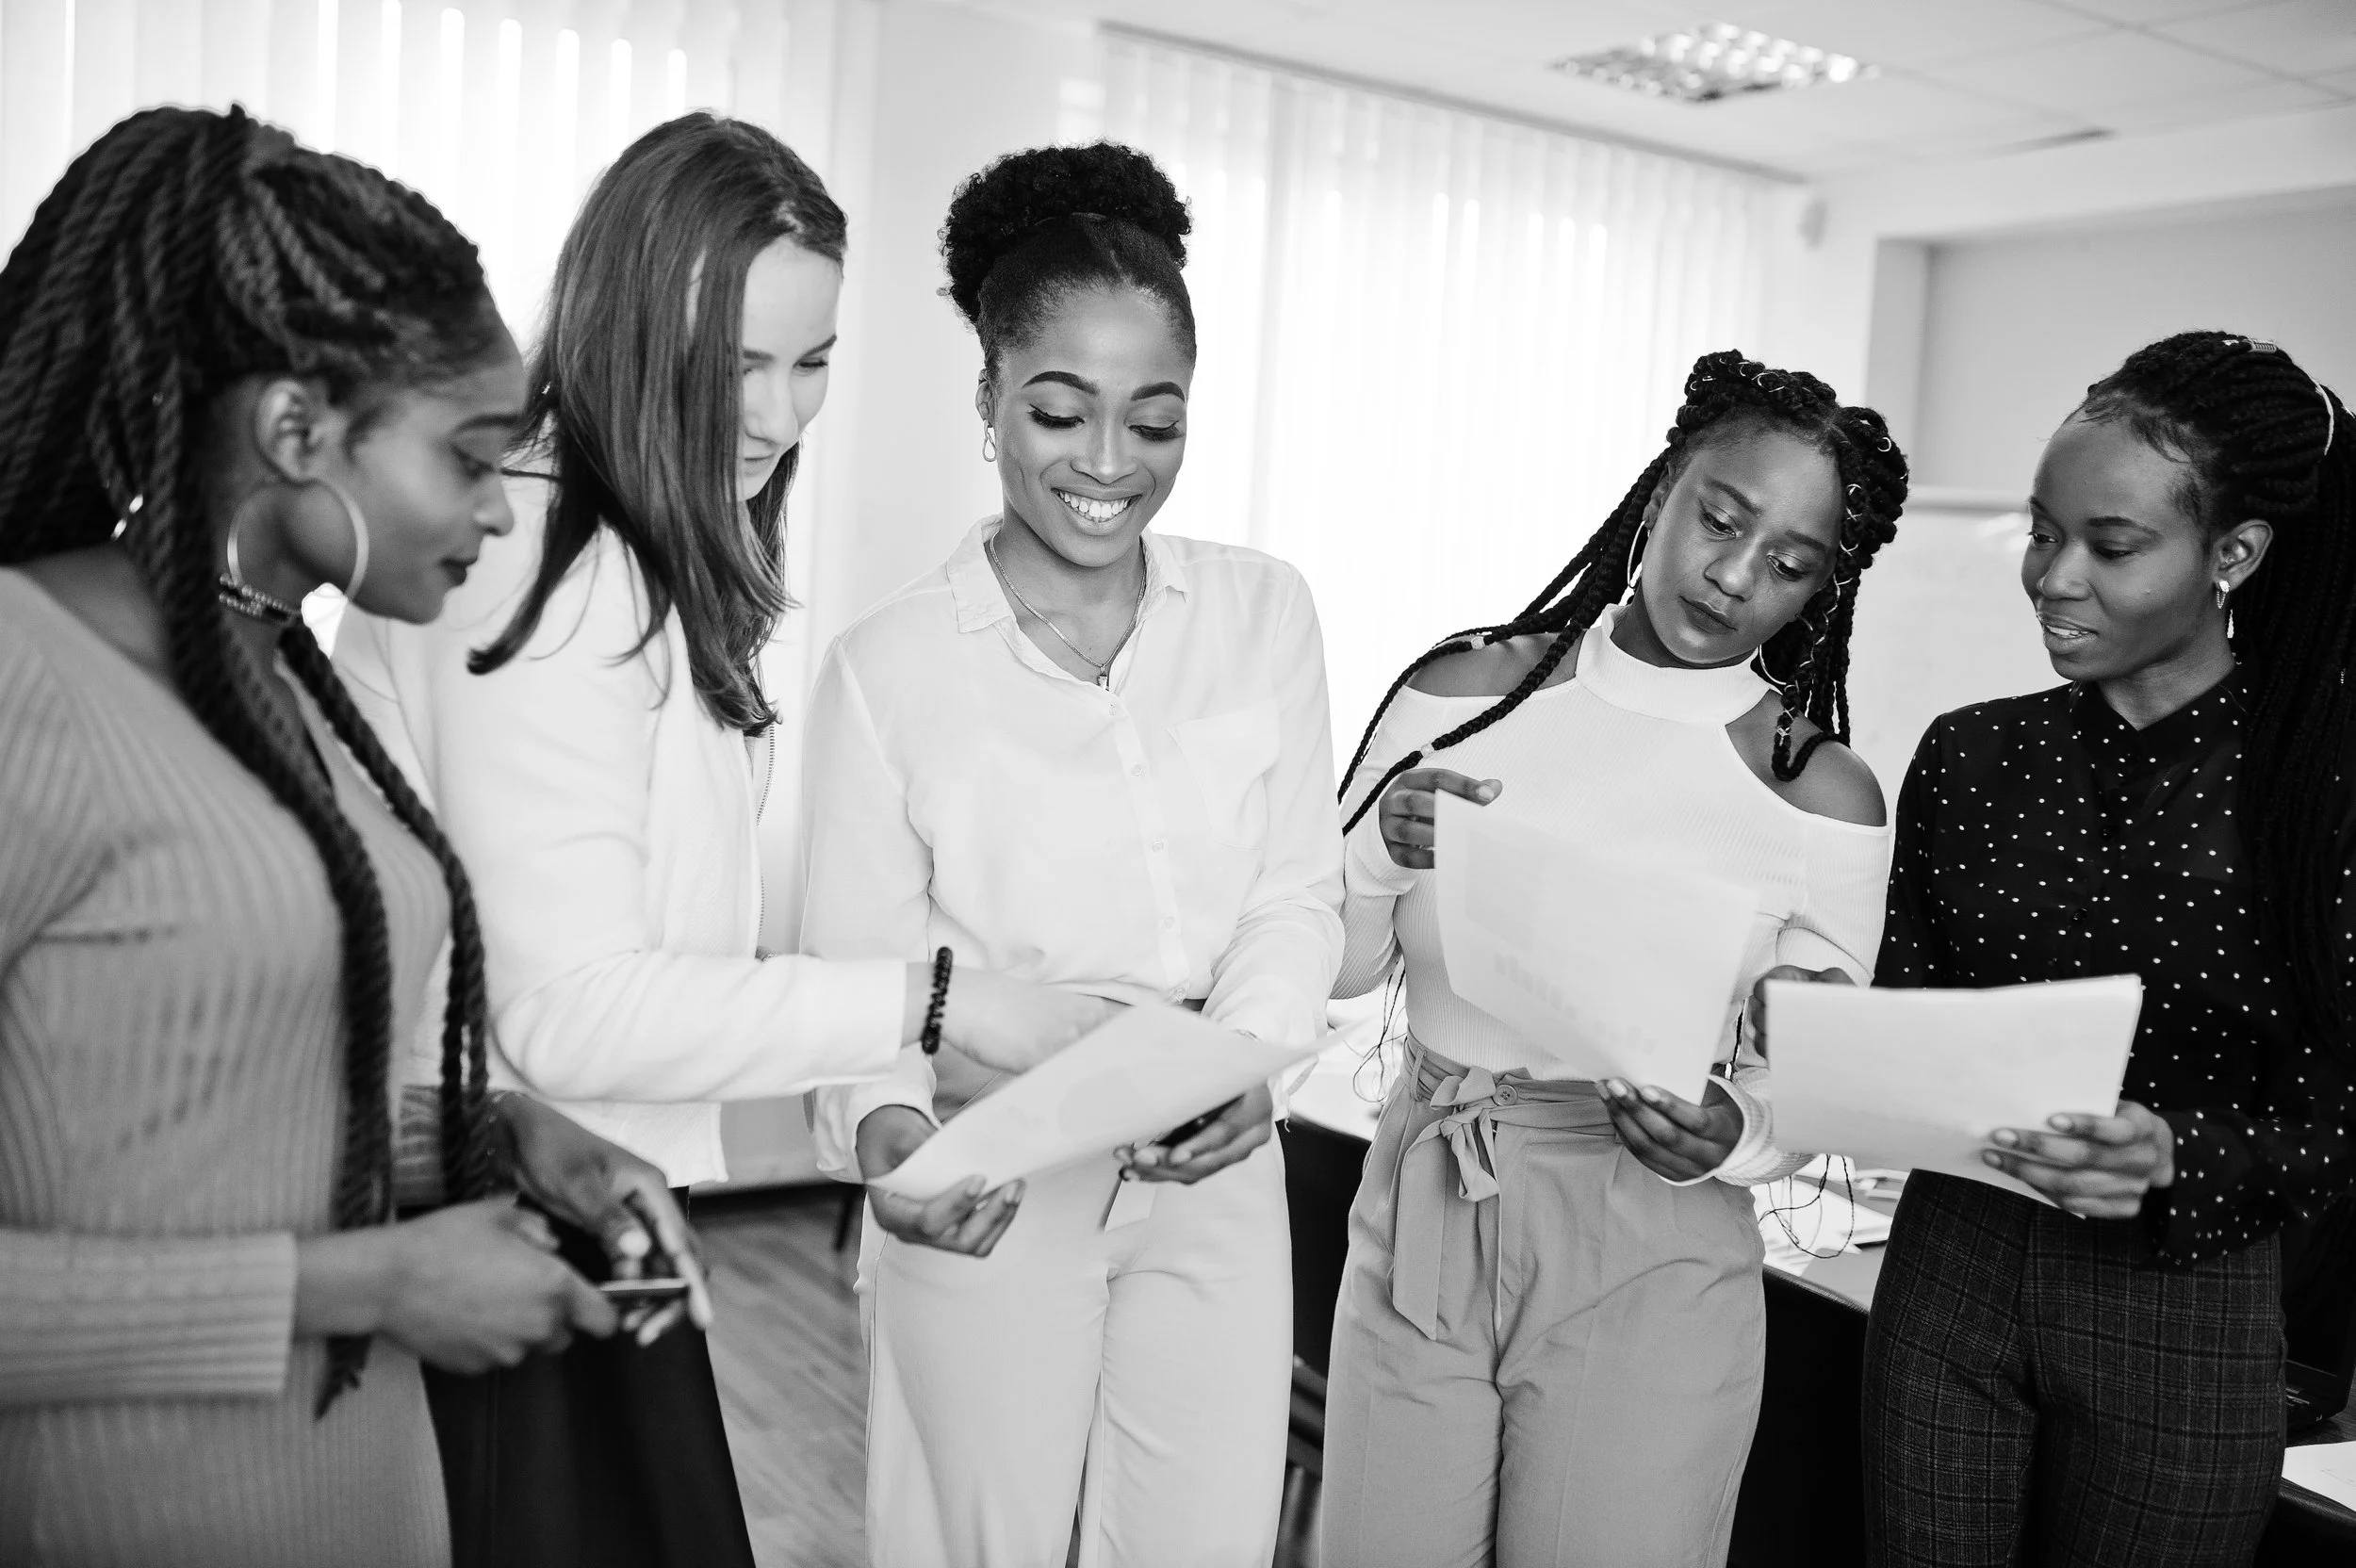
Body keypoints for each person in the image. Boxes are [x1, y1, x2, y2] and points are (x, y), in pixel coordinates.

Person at [333, 114, 1105, 1566]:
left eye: (812, 362)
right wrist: (934, 1000)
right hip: (483, 1226)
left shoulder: (639, 548)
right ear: (631, 332)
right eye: (736, 364)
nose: (780, 415)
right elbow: (570, 1012)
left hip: (588, 1204)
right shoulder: (534, 555)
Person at [0, 106, 705, 1567]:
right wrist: (358, 1288)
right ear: (295, 431)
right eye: (467, 458)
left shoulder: (276, 680)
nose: (500, 516)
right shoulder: (21, 677)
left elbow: (186, 1111)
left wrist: (507, 1140)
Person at [801, 142, 1344, 1567]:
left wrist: (1252, 1062)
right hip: (993, 1170)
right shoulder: (887, 670)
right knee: (976, 1544)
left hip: (1211, 1172)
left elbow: (1296, 895)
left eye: (1154, 422)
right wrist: (893, 1141)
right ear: (987, 400)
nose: (1109, 467)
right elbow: (860, 985)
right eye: (1060, 412)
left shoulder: (1262, 612)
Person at [1320, 351, 1909, 1567]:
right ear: (1663, 491)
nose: (1736, 575)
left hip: (1655, 1244)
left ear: (1822, 592)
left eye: (1791, 564)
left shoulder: (1825, 799)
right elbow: (1325, 965)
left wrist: (1737, 1132)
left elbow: (1812, 1089)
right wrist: (1382, 849)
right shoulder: (1460, 693)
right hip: (1429, 1194)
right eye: (1721, 518)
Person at [1862, 331, 2355, 1568]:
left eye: (2112, 546)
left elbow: (2343, 1111)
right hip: (1947, 1273)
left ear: (2232, 555)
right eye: (2040, 531)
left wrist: (2177, 1154)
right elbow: (1910, 1018)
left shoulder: (2320, 793)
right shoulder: (1969, 757)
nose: (2052, 577)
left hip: (2183, 1309)